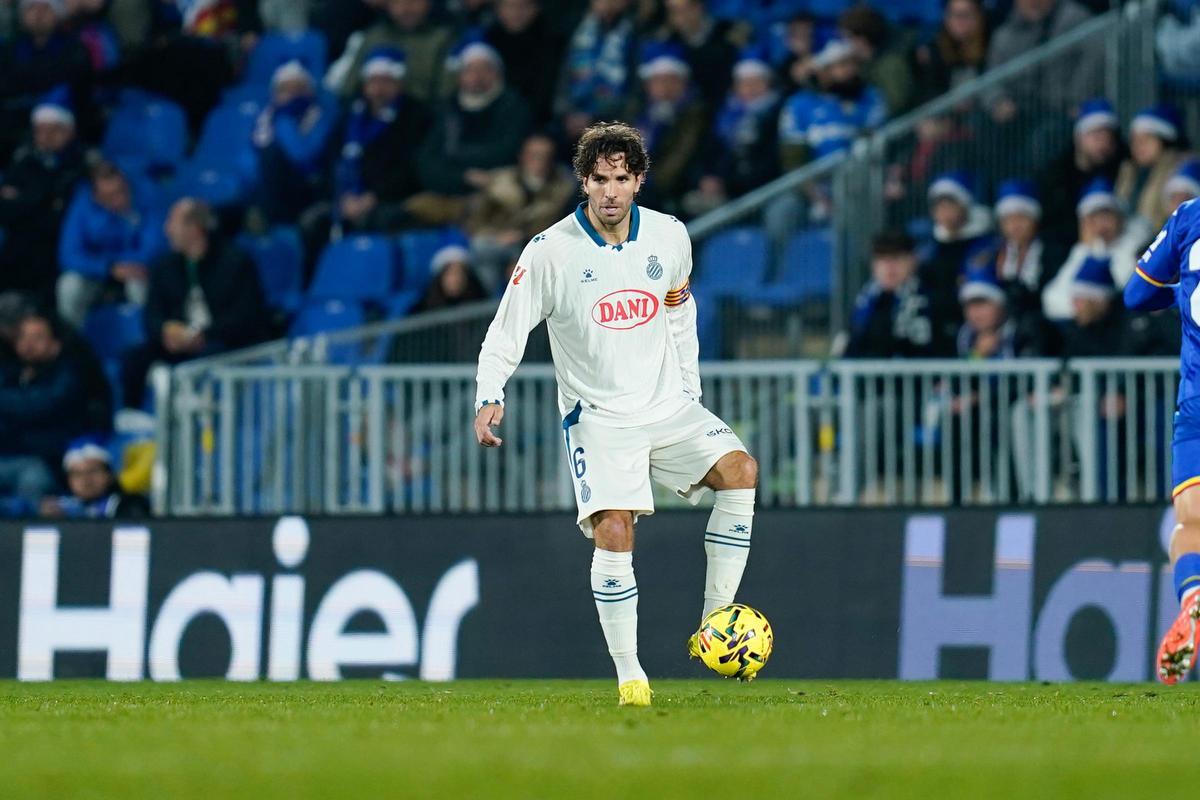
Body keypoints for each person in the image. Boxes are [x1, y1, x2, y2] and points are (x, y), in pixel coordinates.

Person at [473, 122, 758, 707]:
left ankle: (715, 624)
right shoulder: (550, 251)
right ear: (583, 182)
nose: (609, 192)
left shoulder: (669, 235)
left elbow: (679, 310)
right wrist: (488, 394)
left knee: (740, 470)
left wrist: (690, 389)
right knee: (615, 529)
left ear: (638, 181)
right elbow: (506, 330)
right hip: (598, 417)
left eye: (621, 180)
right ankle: (631, 677)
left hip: (666, 405)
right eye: (599, 180)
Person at [1125, 193, 1200, 683]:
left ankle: (1195, 595)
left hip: (1198, 406)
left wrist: (1178, 289)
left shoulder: (1190, 216)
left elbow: (1135, 295)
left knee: (1192, 522)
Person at [121, 198, 269, 409]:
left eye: (172, 222)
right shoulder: (164, 267)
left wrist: (203, 335)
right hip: (180, 342)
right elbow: (151, 314)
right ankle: (134, 418)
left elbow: (247, 316)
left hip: (223, 343)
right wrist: (166, 329)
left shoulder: (236, 262)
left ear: (194, 228)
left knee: (207, 358)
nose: (167, 229)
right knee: (134, 358)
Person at [412, 42, 530, 219]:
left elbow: (507, 150)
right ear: (460, 76)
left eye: (484, 69)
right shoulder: (448, 110)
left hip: (497, 189)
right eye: (470, 70)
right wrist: (463, 176)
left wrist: (457, 160)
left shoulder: (512, 106)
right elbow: (427, 162)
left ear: (497, 73)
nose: (477, 76)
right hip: (448, 191)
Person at [0, 90, 86, 308]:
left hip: (54, 255)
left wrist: (23, 200)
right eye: (40, 130)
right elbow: (4, 209)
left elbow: (60, 218)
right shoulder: (24, 162)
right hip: (16, 251)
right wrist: (42, 200)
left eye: (53, 130)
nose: (45, 137)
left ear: (69, 130)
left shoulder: (79, 166)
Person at [56, 160, 166, 329]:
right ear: (96, 196)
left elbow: (154, 246)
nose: (119, 200)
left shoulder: (147, 194)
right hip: (100, 272)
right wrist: (109, 267)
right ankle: (72, 341)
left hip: (137, 267)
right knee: (69, 285)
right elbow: (69, 255)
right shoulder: (82, 206)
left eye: (121, 191)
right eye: (109, 196)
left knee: (137, 282)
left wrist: (124, 265)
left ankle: (151, 336)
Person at [465, 133, 576, 289]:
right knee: (481, 250)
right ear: (523, 156)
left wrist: (523, 239)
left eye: (545, 156)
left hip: (534, 245)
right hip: (496, 241)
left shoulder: (562, 188)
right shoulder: (499, 182)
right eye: (534, 155)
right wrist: (497, 236)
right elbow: (476, 220)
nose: (539, 161)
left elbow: (559, 225)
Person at [0, 313, 88, 507]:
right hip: (7, 455)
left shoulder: (68, 374)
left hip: (44, 460)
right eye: (23, 337)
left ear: (55, 344)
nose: (28, 345)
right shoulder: (11, 373)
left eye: (38, 338)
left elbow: (39, 408)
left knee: (31, 479)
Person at [1041, 178, 1154, 322]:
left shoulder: (1137, 242)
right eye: (1094, 218)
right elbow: (1051, 300)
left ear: (1119, 217)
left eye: (1106, 216)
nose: (1101, 225)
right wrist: (1084, 307)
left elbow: (1124, 284)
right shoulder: (1085, 249)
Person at [685, 53, 781, 217]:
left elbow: (772, 160)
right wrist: (706, 178)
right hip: (723, 188)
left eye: (756, 82)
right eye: (744, 83)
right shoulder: (724, 116)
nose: (750, 89)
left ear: (768, 84)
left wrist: (725, 184)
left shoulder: (777, 114)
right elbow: (707, 152)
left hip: (761, 190)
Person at [626, 42, 709, 217]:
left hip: (672, 188)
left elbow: (681, 156)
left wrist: (645, 182)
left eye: (670, 81)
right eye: (657, 81)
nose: (664, 88)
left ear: (682, 83)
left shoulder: (693, 112)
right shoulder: (638, 111)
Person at [254, 60, 340, 226]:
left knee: (271, 153)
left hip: (308, 185)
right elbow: (248, 158)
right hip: (269, 187)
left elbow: (304, 157)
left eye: (297, 89)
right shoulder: (264, 118)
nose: (291, 95)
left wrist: (285, 120)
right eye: (285, 90)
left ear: (309, 92)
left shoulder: (322, 117)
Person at [843, 230, 951, 358]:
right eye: (882, 259)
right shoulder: (864, 302)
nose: (889, 267)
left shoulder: (931, 300)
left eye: (896, 258)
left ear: (913, 261)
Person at [1036, 98, 1126, 247]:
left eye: (1108, 137)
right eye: (1096, 136)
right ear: (1079, 137)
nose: (1103, 143)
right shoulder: (1057, 174)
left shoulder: (1124, 167)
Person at [555, 0, 639, 142]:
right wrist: (566, 112)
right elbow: (564, 76)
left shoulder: (636, 31)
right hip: (568, 120)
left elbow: (635, 88)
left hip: (615, 122)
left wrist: (595, 118)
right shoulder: (576, 25)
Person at [1116, 104, 1190, 233]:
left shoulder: (1181, 171)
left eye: (1147, 139)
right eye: (1135, 139)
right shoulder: (1128, 171)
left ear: (1164, 140)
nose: (1139, 145)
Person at [39, 437, 149, 519]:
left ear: (109, 474)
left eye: (93, 471)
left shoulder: (130, 505)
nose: (86, 480)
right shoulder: (62, 506)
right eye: (77, 474)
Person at [910, 0, 989, 107]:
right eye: (953, 14)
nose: (959, 21)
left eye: (965, 15)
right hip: (950, 118)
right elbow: (929, 93)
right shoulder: (934, 51)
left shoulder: (991, 40)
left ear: (978, 16)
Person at [414, 245, 488, 313]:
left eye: (460, 273)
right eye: (450, 274)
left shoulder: (481, 304)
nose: (456, 279)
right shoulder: (424, 309)